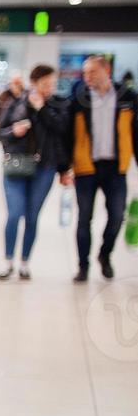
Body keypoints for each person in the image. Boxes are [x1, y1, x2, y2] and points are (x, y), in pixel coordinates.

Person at [0, 65, 69, 281]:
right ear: (34, 82)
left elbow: (62, 132)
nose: (49, 88)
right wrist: (13, 131)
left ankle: (25, 263)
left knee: (32, 217)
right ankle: (8, 261)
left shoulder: (58, 104)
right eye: (45, 84)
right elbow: (1, 133)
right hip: (16, 166)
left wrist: (41, 109)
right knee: (14, 213)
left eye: (52, 84)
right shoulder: (15, 103)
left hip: (44, 168)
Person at [69, 55, 137, 282]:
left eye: (92, 72)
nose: (87, 77)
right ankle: (83, 266)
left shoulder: (128, 97)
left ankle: (104, 255)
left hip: (115, 168)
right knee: (84, 218)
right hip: (86, 167)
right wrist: (64, 166)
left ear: (106, 71)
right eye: (85, 73)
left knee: (117, 216)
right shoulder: (78, 98)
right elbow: (67, 132)